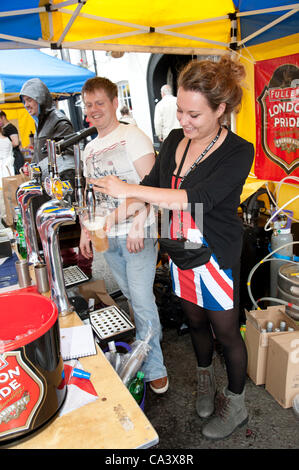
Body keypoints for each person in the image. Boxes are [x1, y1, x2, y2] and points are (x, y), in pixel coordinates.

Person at [91, 56, 255, 439]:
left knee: (226, 332)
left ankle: (237, 404)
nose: (184, 121)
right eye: (180, 110)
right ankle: (204, 380)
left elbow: (192, 197)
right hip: (181, 253)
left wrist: (128, 188)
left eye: (194, 114)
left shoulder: (238, 151)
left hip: (216, 257)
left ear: (221, 110)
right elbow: (152, 186)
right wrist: (115, 216)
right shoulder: (174, 145)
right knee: (194, 321)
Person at [79, 76, 168, 393]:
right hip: (107, 236)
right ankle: (147, 342)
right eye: (88, 105)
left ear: (115, 102)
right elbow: (91, 197)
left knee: (142, 301)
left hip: (137, 232)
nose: (94, 110)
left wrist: (129, 219)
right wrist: (85, 230)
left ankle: (154, 365)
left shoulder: (133, 137)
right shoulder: (89, 148)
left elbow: (153, 189)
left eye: (99, 103)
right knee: (132, 296)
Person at [19, 78, 92, 276]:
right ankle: (70, 268)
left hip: (64, 192)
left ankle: (85, 274)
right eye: (24, 100)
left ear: (40, 98)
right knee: (57, 237)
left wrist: (38, 167)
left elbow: (68, 156)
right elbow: (43, 153)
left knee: (78, 234)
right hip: (48, 189)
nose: (27, 105)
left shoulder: (58, 119)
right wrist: (33, 166)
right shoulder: (43, 121)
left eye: (30, 100)